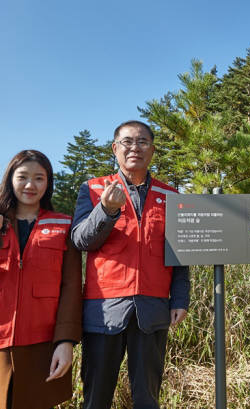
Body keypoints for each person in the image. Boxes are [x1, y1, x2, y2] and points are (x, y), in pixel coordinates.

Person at [0, 150, 82, 409]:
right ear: (9, 179)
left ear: (48, 183)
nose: (30, 185)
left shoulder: (64, 226)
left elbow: (71, 288)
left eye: (39, 178)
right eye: (22, 177)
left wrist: (65, 342)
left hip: (40, 342)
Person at [71, 120, 190, 409]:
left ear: (152, 149)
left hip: (153, 307)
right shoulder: (93, 189)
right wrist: (106, 210)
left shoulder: (170, 196)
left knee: (147, 396)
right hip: (103, 309)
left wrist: (181, 298)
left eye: (142, 142)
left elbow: (179, 255)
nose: (134, 148)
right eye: (127, 142)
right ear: (115, 148)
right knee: (96, 396)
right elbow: (80, 240)